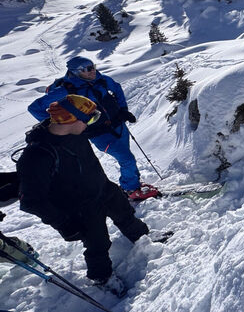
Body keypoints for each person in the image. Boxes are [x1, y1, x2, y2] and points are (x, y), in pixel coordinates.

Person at [16, 95, 150, 296]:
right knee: (98, 244)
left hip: (103, 188)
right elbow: (31, 201)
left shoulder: (75, 130)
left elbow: (99, 128)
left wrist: (117, 117)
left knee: (125, 215)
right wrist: (64, 223)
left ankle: (142, 238)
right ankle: (102, 278)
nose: (91, 122)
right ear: (72, 120)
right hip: (80, 208)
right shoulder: (37, 156)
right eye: (90, 117)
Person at [28, 56, 156, 201]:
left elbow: (117, 88)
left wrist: (123, 109)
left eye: (93, 66)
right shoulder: (66, 90)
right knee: (126, 159)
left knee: (127, 157)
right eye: (87, 69)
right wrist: (59, 125)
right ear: (76, 72)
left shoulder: (101, 79)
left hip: (118, 125)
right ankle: (131, 189)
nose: (93, 71)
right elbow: (35, 108)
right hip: (98, 133)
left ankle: (133, 183)